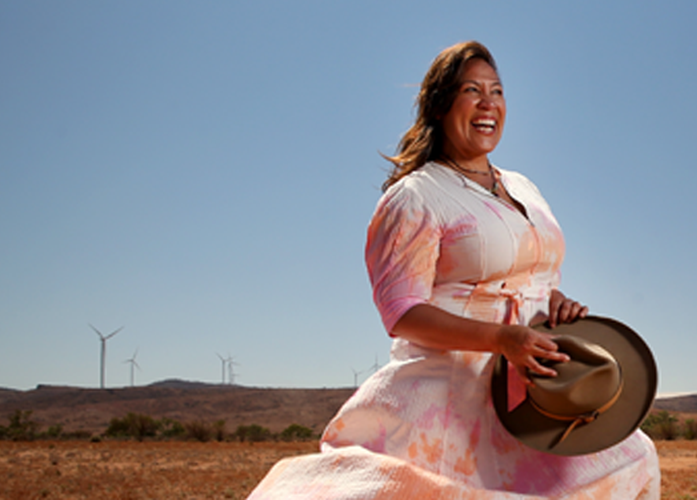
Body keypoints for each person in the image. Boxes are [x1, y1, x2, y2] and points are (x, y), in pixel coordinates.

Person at [249, 41, 661, 499]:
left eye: (498, 91)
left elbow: (533, 273)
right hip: (451, 398)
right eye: (472, 90)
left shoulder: (523, 186)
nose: (489, 103)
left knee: (630, 461)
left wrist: (554, 302)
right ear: (441, 104)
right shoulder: (415, 197)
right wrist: (502, 338)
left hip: (530, 388)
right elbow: (401, 313)